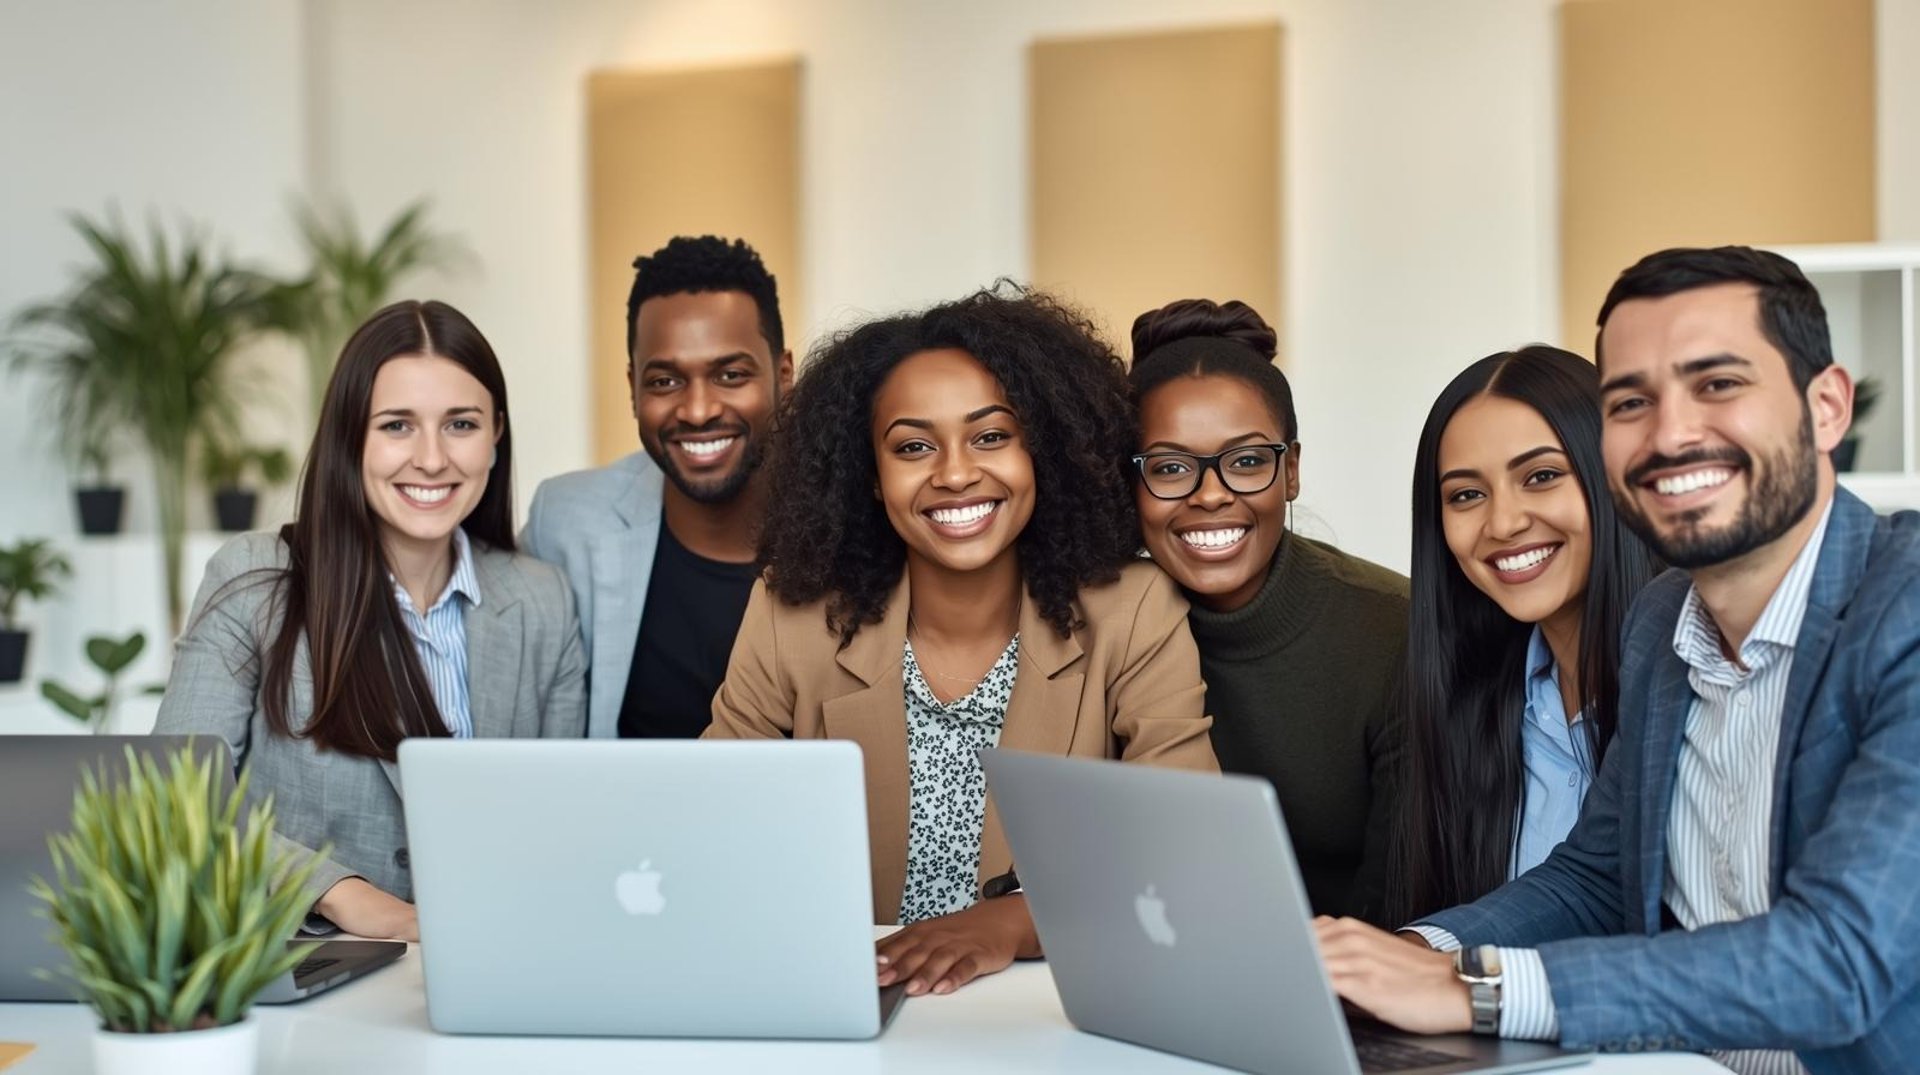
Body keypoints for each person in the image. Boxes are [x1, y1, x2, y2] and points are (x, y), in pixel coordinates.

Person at [1317, 246, 1920, 1075]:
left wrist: (1477, 991)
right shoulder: (1660, 624)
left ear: (1826, 407)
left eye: (1718, 384)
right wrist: (1403, 954)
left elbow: (1842, 956)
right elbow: (1594, 879)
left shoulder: (1905, 610)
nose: (1670, 433)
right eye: (1633, 401)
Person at [704, 284, 1219, 996]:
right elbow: (708, 828)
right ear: (872, 478)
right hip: (851, 998)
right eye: (913, 446)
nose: (953, 472)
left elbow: (1190, 847)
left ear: (1044, 449)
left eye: (991, 436)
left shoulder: (1132, 611)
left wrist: (1010, 923)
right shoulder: (788, 614)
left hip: (1050, 1008)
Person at [157, 300, 587, 940]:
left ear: (496, 435)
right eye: (397, 426)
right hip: (300, 970)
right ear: (349, 437)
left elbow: (559, 822)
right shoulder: (255, 581)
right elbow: (174, 799)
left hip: (487, 959)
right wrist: (339, 892)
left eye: (461, 424)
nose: (433, 459)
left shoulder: (542, 601)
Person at [1128, 298, 1408, 924]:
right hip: (1158, 972)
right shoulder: (1106, 626)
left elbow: (1404, 896)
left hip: (1351, 986)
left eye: (1248, 461)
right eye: (1170, 468)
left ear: (1292, 472)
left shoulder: (1394, 626)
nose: (1210, 494)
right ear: (1129, 483)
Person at [1390, 345, 1656, 923]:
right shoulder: (1471, 700)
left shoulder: (1696, 676)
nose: (1504, 523)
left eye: (1541, 476)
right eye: (1466, 494)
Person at [523, 235, 793, 738]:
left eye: (731, 375)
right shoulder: (562, 524)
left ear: (784, 375)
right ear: (632, 388)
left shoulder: (855, 533)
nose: (697, 410)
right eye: (665, 382)